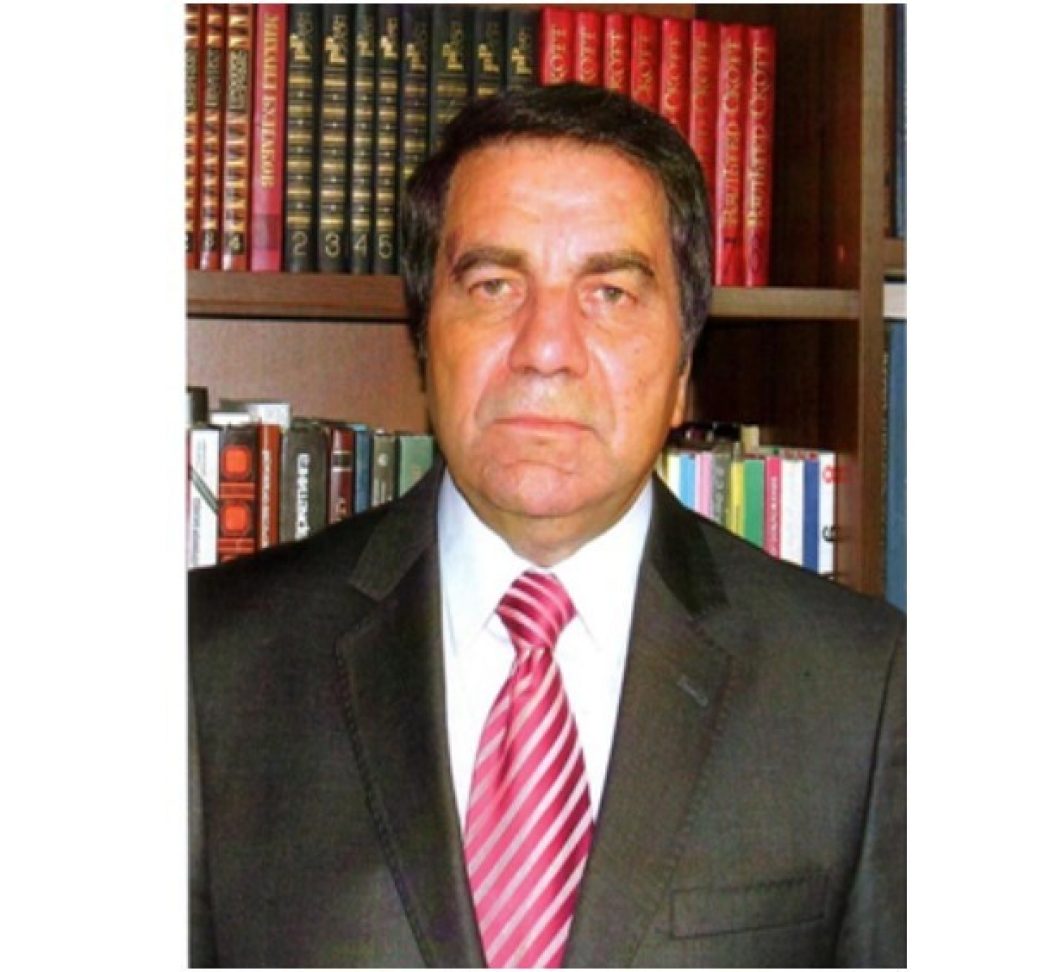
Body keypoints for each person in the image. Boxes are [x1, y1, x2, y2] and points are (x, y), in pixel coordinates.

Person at [189, 83, 905, 968]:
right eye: (494, 285)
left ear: (684, 364)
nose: (546, 348)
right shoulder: (206, 667)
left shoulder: (861, 690)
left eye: (610, 293)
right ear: (425, 338)